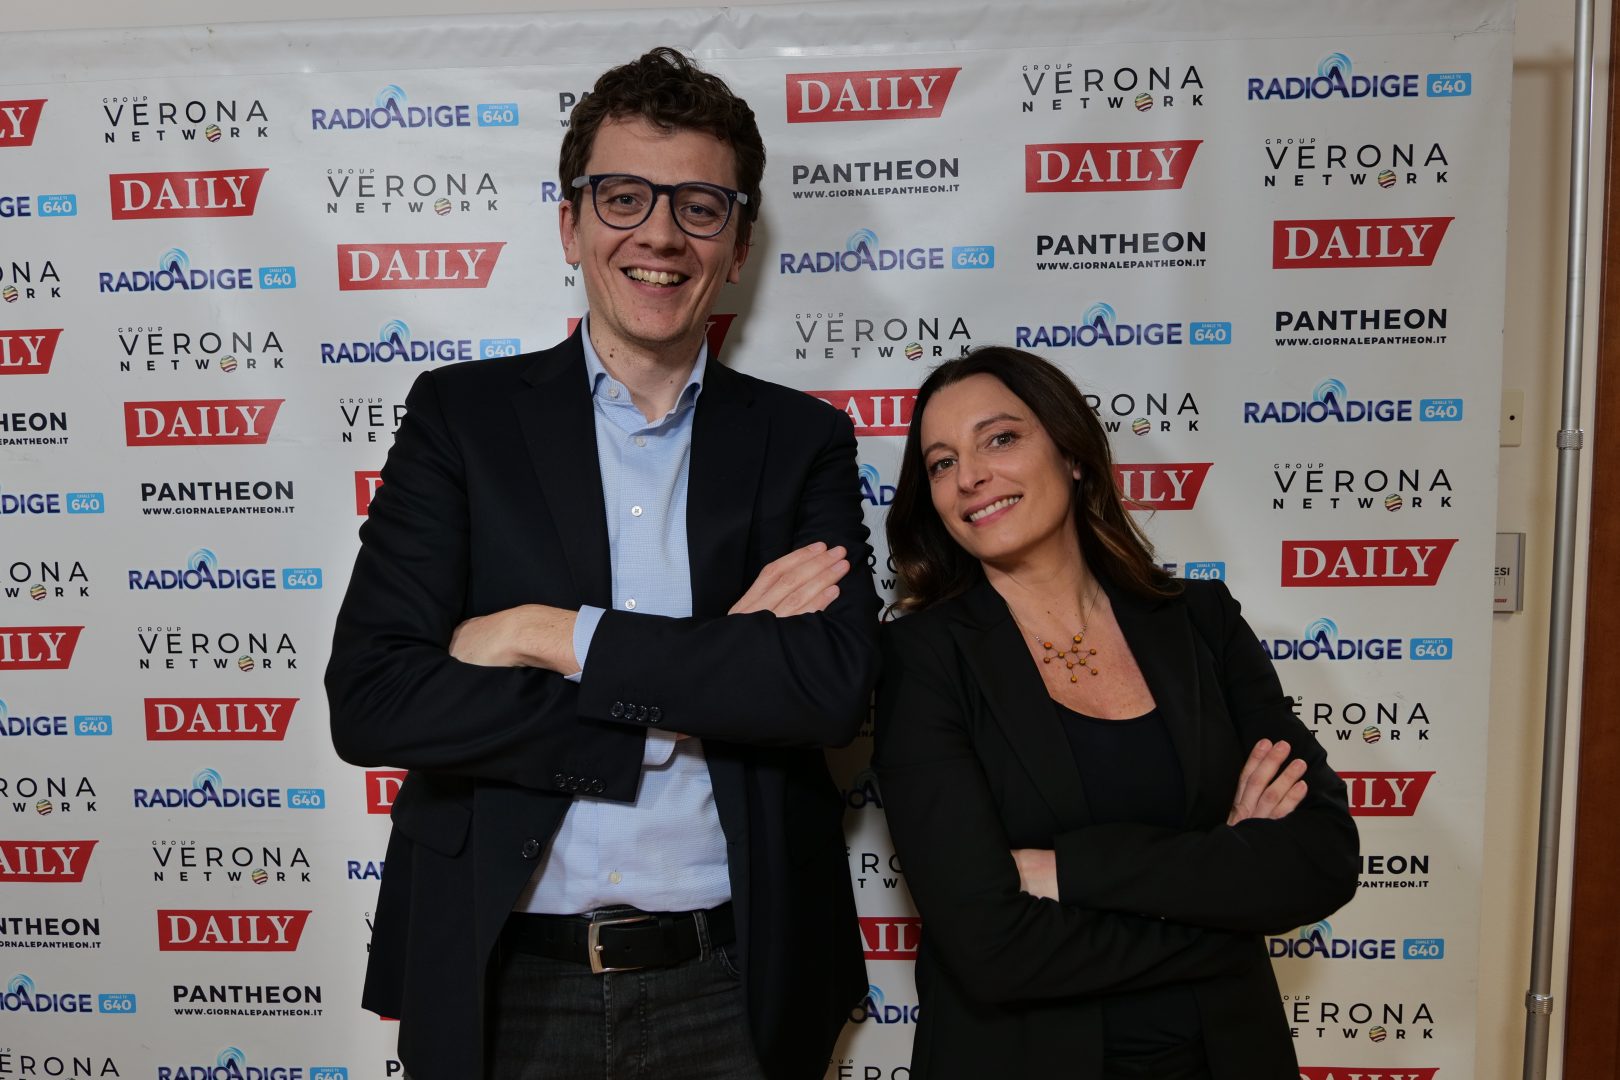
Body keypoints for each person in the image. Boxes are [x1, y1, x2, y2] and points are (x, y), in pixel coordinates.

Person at [326, 48, 879, 1080]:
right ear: (571, 223)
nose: (660, 234)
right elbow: (374, 700)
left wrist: (545, 634)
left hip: (737, 978)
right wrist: (711, 670)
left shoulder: (803, 441)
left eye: (700, 207)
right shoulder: (461, 420)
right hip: (503, 976)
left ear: (739, 243)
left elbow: (829, 691)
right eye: (624, 197)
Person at [872, 346, 1359, 1080]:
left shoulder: (1200, 621)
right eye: (941, 463)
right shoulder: (921, 659)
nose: (969, 476)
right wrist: (1226, 897)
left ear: (1072, 455)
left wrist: (1068, 871)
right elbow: (991, 947)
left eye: (999, 438)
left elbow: (1320, 859)